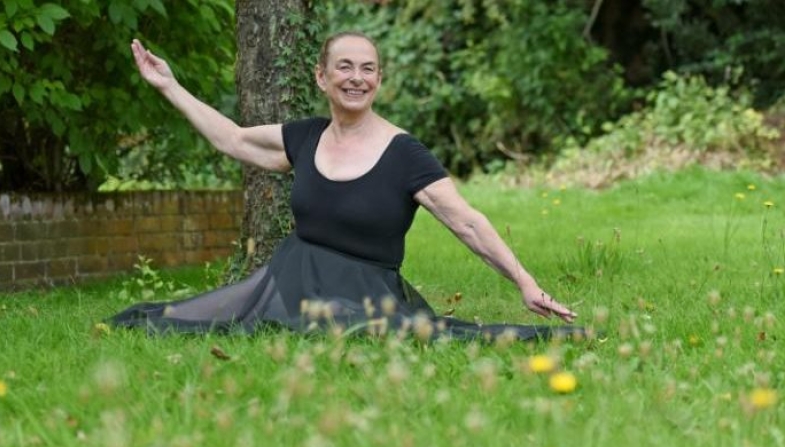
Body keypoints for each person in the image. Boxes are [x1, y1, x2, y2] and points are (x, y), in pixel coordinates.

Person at [109, 32, 584, 342]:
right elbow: (230, 137)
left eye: (368, 68)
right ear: (322, 76)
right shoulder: (304, 136)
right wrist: (168, 85)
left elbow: (467, 223)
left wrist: (524, 282)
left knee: (343, 333)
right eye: (345, 67)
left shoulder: (404, 153)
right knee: (173, 322)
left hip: (363, 292)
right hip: (288, 279)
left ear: (379, 79)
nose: (356, 78)